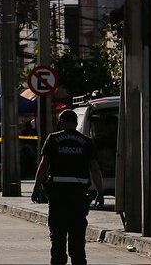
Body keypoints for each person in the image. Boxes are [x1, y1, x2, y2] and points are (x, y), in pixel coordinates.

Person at [32, 109, 104, 265]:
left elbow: (44, 166)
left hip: (57, 194)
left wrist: (37, 187)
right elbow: (95, 168)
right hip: (78, 195)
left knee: (58, 235)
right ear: (76, 123)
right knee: (77, 234)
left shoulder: (53, 138)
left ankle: (58, 262)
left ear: (61, 123)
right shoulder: (86, 141)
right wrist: (100, 191)